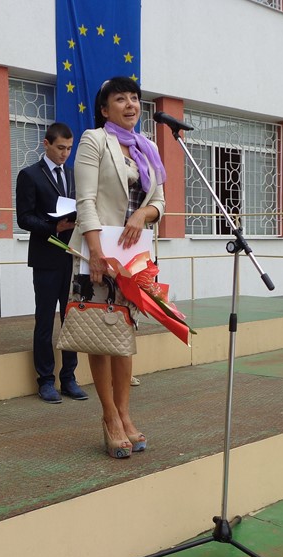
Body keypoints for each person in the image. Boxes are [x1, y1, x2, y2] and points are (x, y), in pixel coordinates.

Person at [70, 76, 166, 458]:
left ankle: (125, 414)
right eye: (121, 99)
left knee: (124, 336)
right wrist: (95, 253)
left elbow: (160, 202)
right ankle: (109, 417)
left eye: (135, 98)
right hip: (98, 252)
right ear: (105, 109)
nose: (131, 105)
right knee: (100, 332)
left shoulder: (148, 147)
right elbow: (85, 200)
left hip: (133, 257)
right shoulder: (94, 140)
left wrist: (143, 213)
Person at [15, 123, 88, 404]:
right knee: (45, 320)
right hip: (46, 258)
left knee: (72, 319)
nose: (65, 154)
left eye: (69, 149)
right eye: (60, 148)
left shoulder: (73, 175)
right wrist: (52, 227)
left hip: (73, 257)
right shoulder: (29, 175)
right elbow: (24, 218)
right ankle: (46, 380)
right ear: (46, 144)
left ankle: (69, 378)